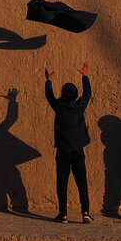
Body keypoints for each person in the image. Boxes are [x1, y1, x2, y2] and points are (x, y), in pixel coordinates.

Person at [45, 62, 94, 223]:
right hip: (78, 150)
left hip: (63, 151)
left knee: (62, 182)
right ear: (75, 95)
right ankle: (85, 212)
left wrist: (48, 81)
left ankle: (63, 214)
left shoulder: (58, 106)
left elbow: (49, 97)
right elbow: (87, 94)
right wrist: (84, 76)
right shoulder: (79, 106)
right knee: (82, 182)